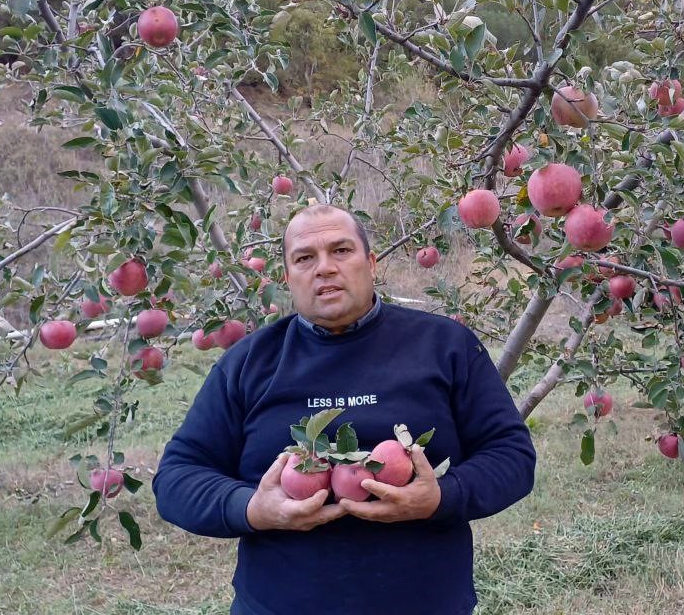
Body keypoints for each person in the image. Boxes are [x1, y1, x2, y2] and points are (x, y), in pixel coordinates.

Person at [152, 204, 537, 615]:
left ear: (370, 264)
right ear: (287, 277)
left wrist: (441, 497)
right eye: (304, 258)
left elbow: (512, 457)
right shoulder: (248, 363)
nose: (324, 268)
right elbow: (177, 478)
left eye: (341, 251)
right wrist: (252, 509)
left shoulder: (446, 346)